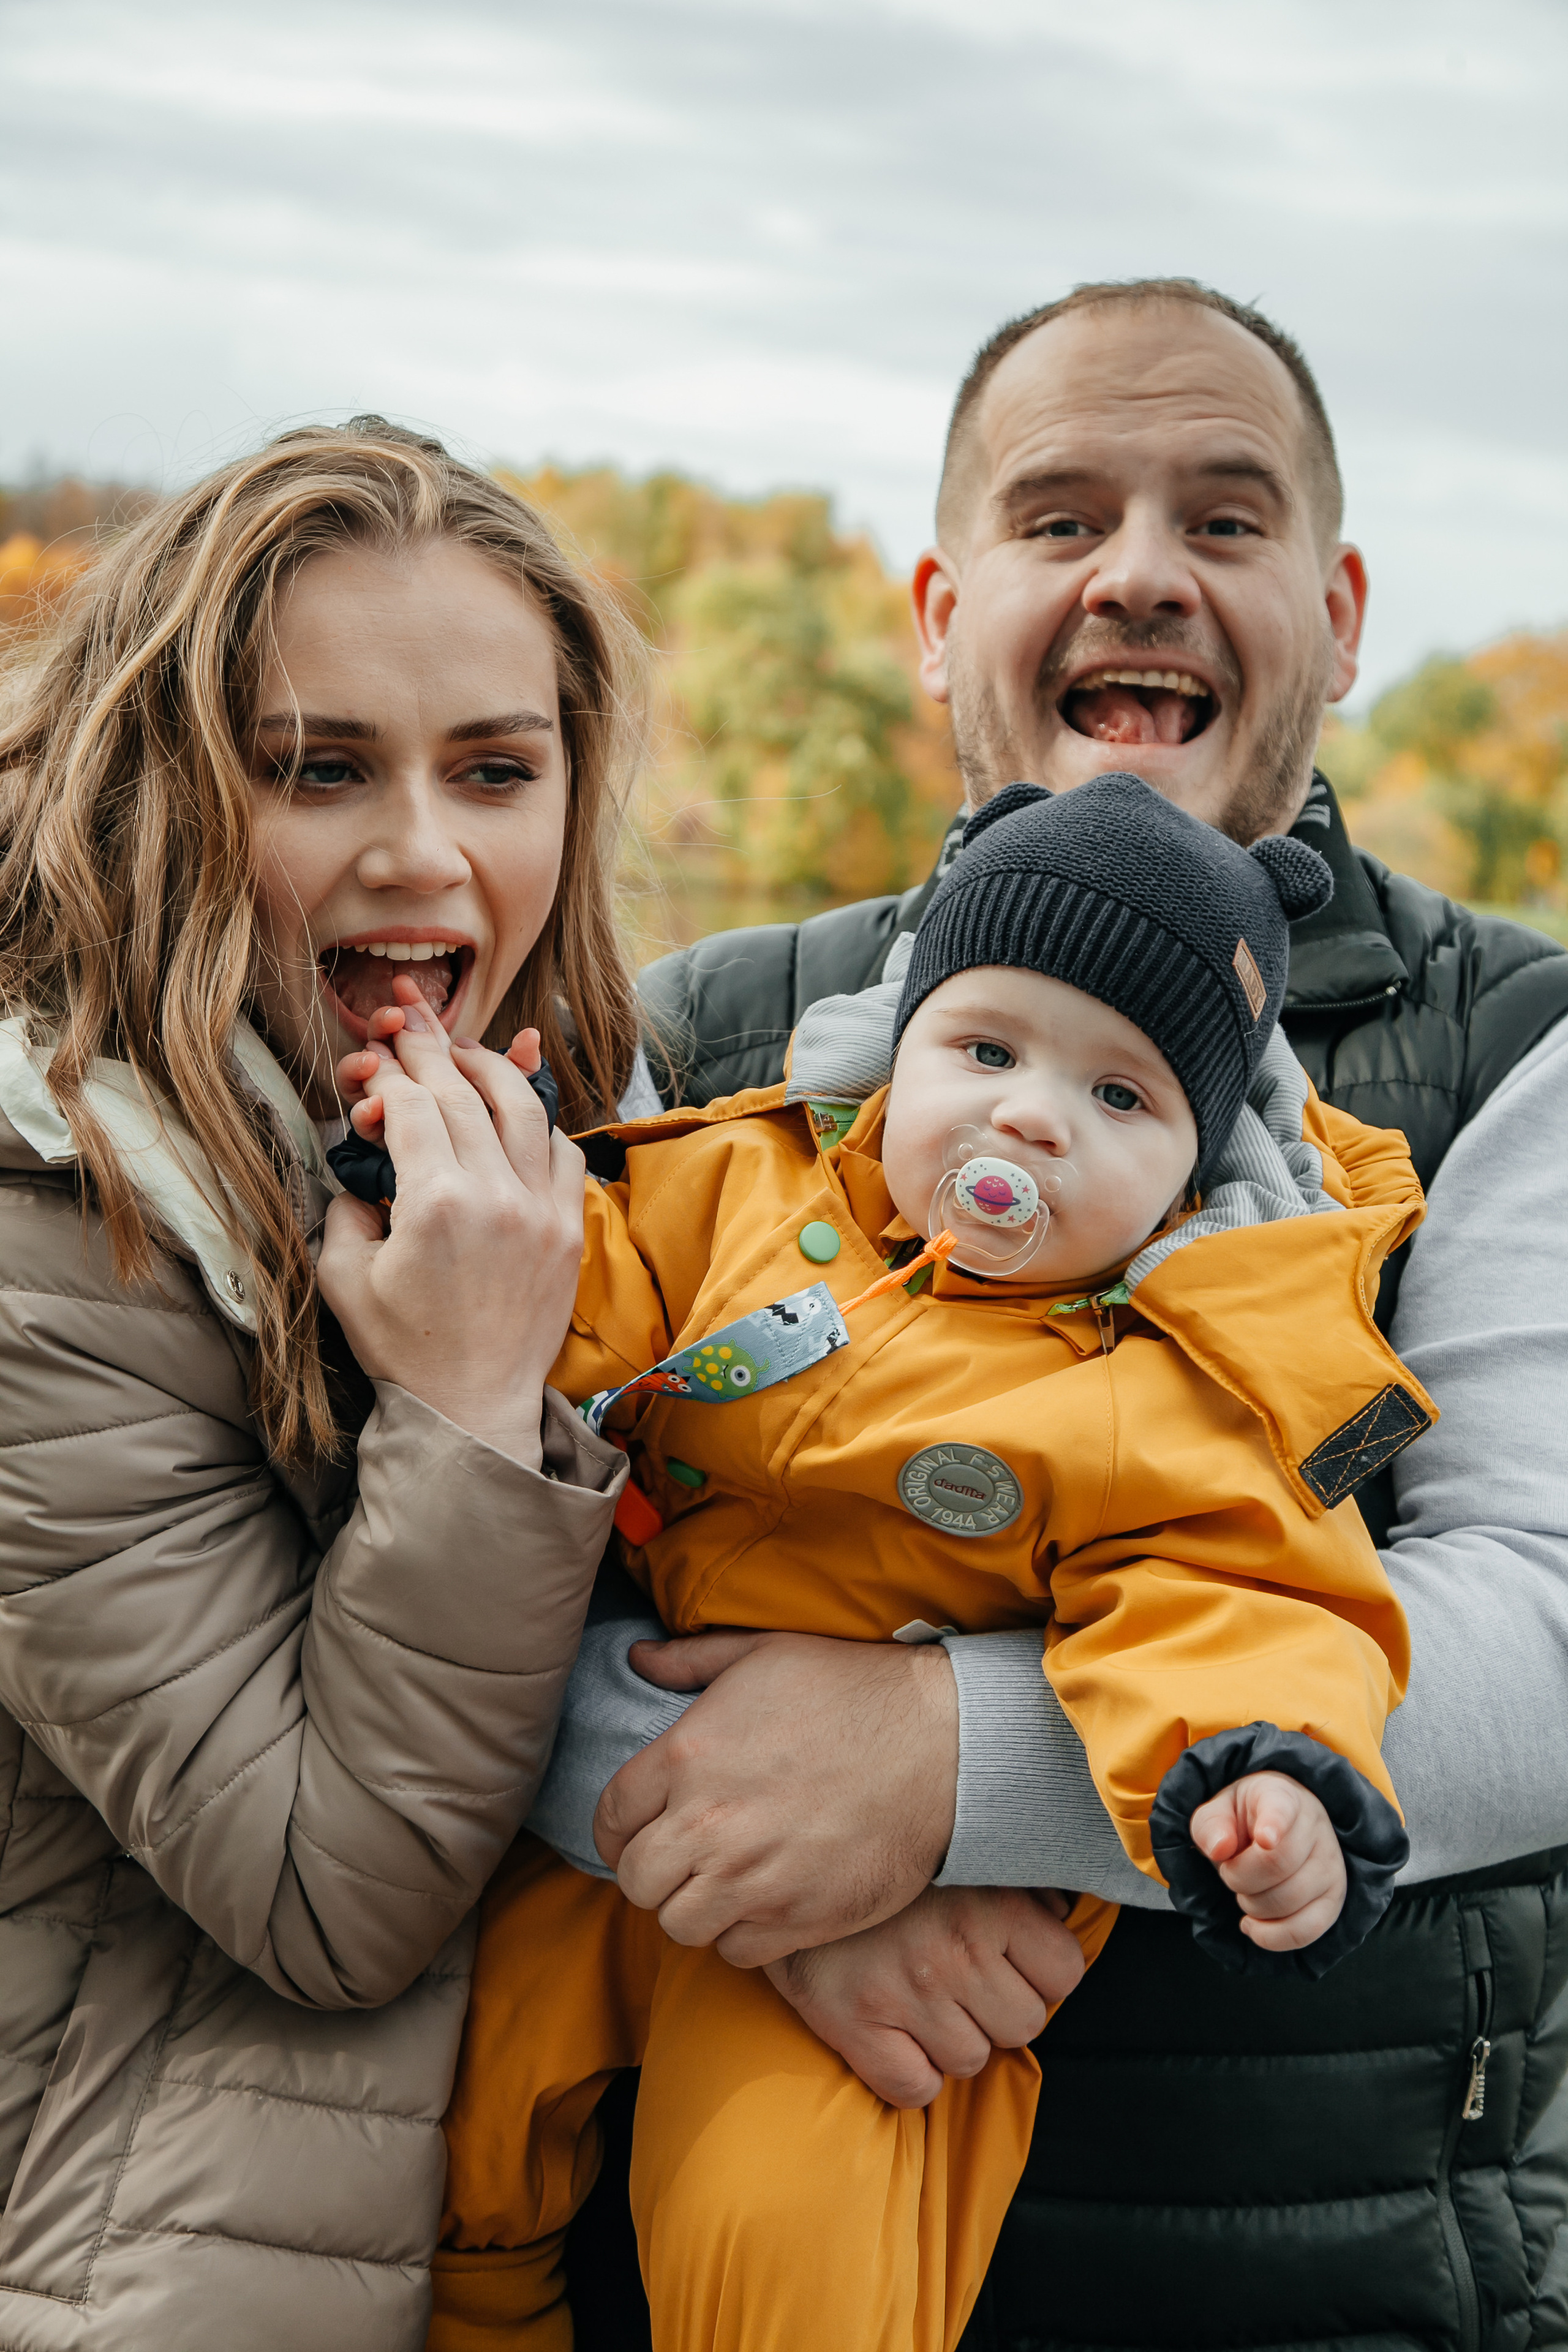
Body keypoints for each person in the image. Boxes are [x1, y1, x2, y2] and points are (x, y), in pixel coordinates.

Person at [551, 281, 1568, 2350]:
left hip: (1345, 2269)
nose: (1139, 575)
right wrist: (711, 1839)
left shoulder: (1513, 1051)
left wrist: (945, 1768)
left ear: (1341, 611)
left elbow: (1546, 1617)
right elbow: (483, 1528)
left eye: (1223, 518)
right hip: (721, 2194)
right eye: (1059, 517)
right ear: (940, 611)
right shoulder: (706, 1038)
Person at [424, 770, 1429, 2351]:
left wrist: (1268, 1769)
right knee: (458, 2133)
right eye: (986, 1050)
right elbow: (593, 1288)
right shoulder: (749, 1184)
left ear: (1195, 1168)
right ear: (902, 1050)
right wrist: (484, 1195)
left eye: (1121, 1098)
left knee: (786, 2235)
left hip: (889, 1913)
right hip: (604, 1829)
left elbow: (1242, 1599)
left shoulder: (1157, 1389)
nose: (1030, 1114)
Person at [0, 421, 656, 2352]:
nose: (424, 852)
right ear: (164, 792)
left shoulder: (535, 1157)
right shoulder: (52, 1227)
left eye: (495, 771)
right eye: (319, 770)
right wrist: (465, 1407)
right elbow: (324, 1890)